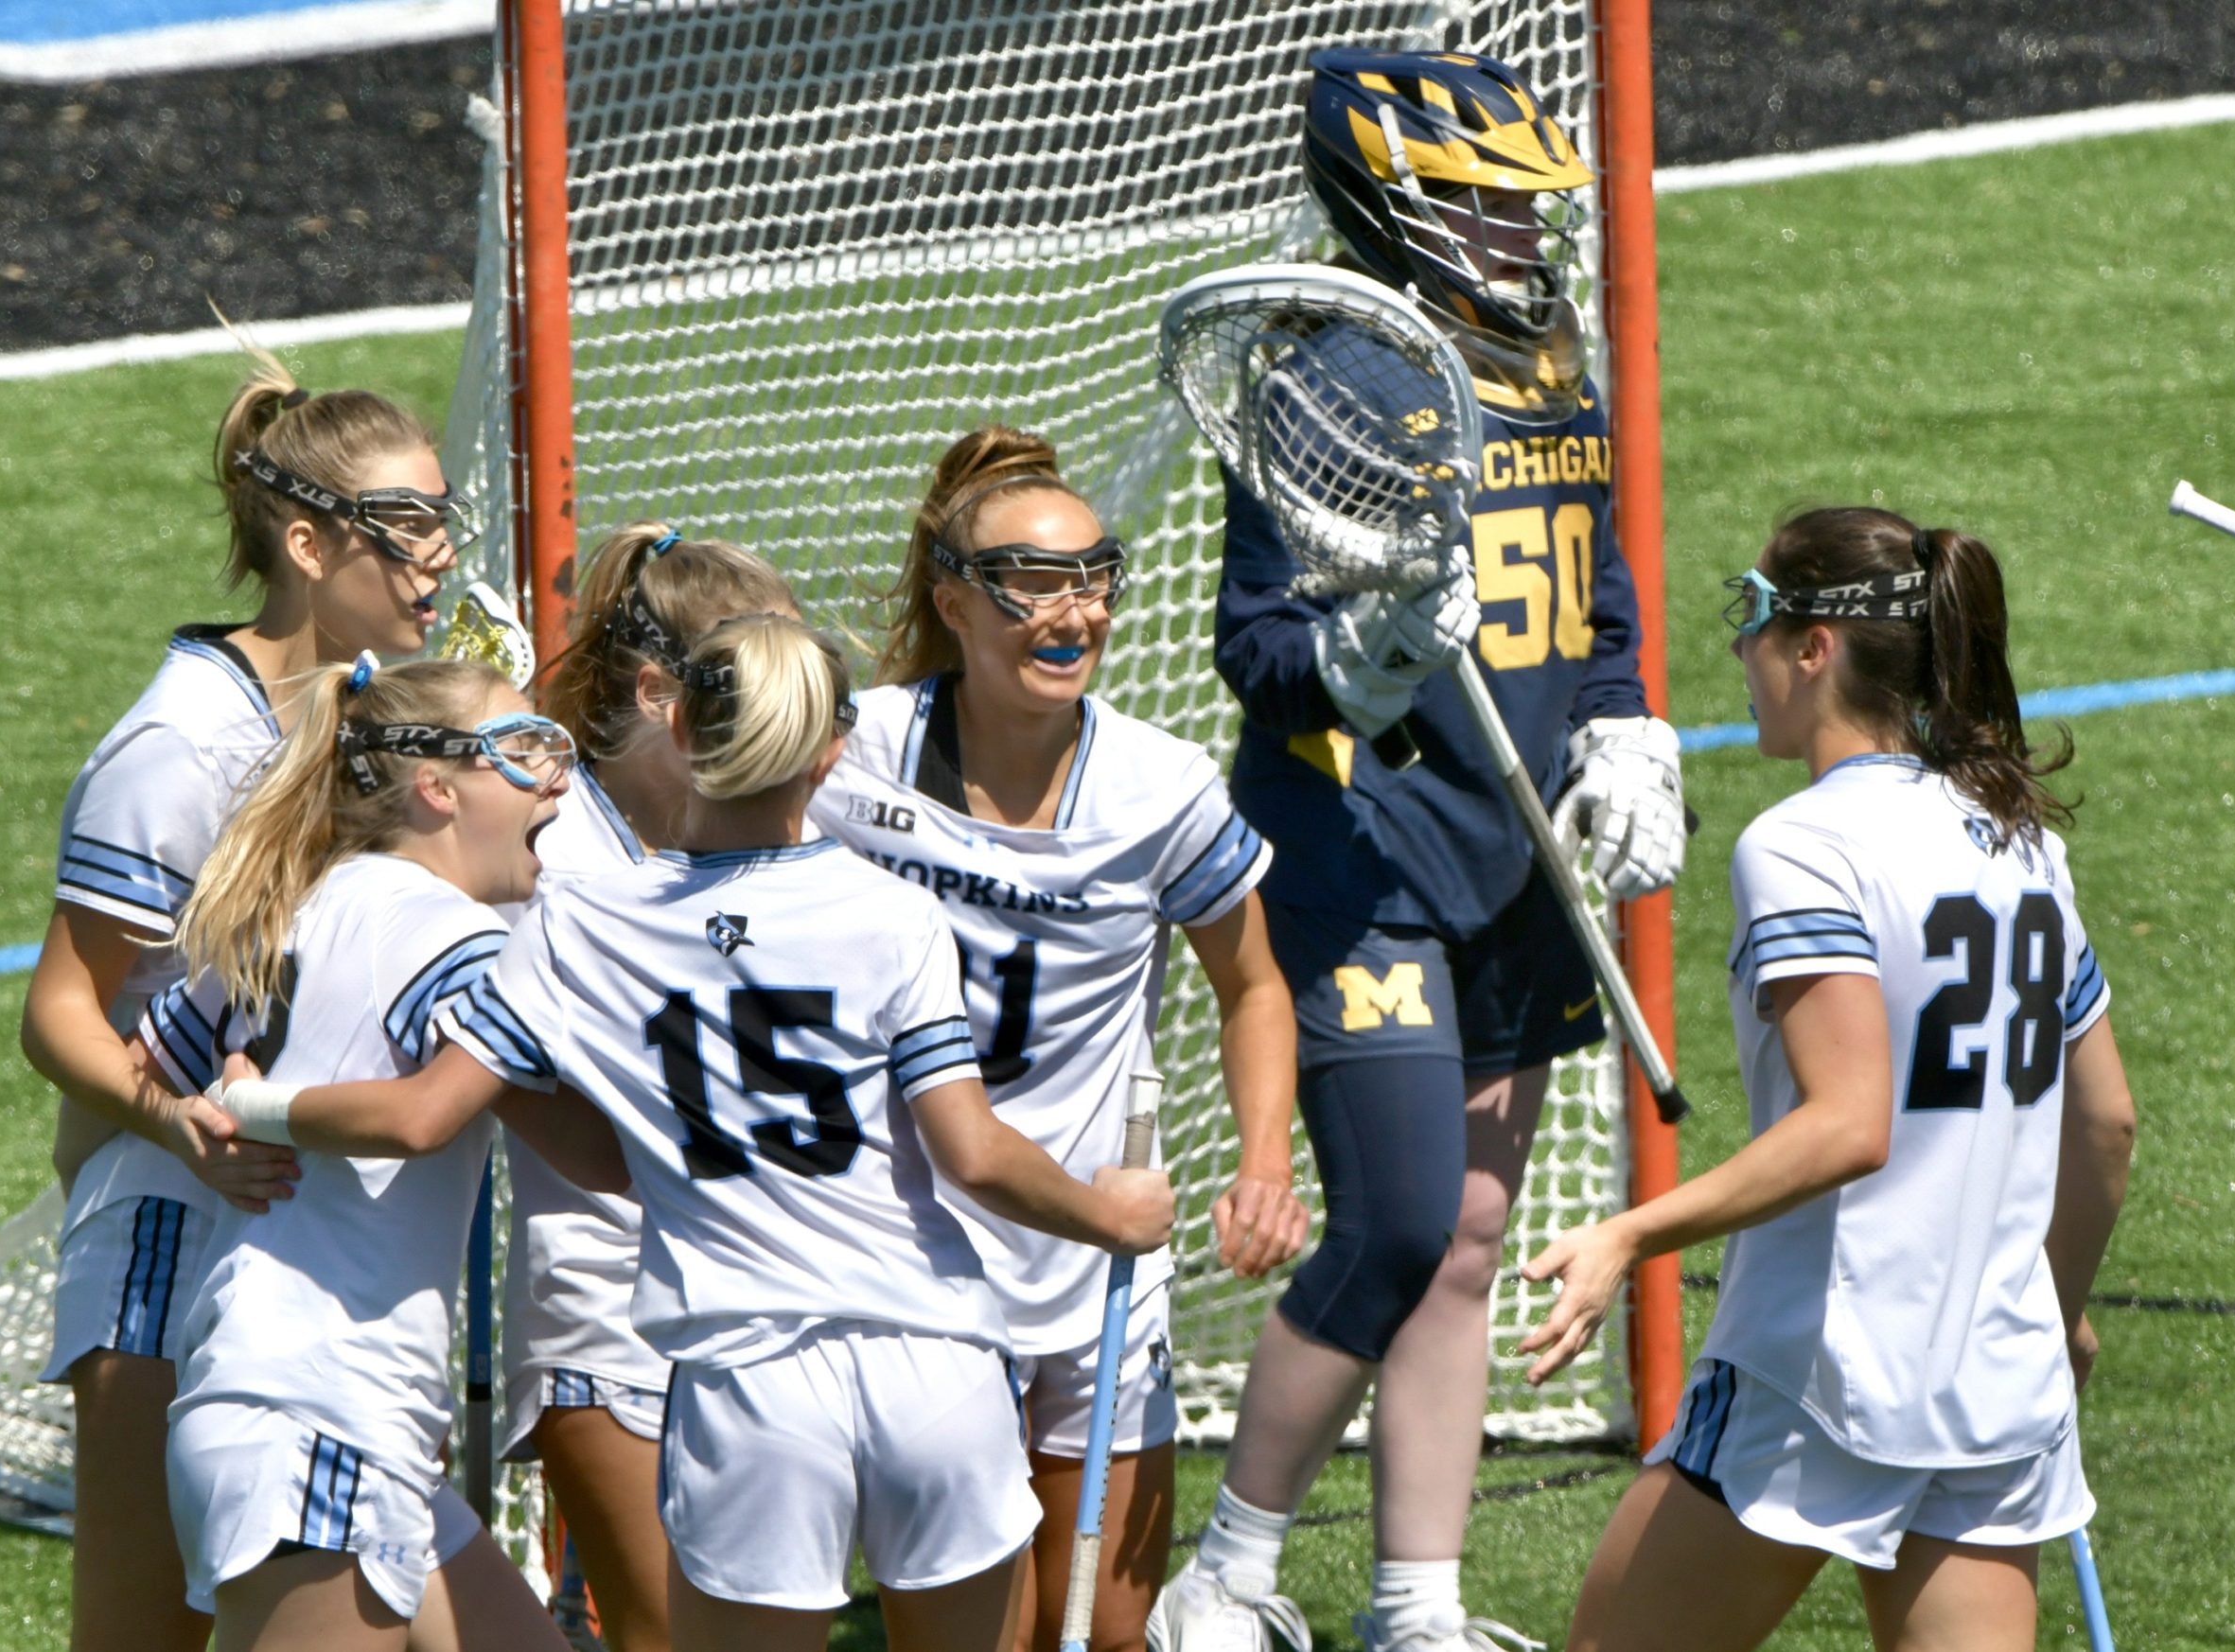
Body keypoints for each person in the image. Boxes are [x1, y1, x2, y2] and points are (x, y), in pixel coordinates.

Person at [213, 613, 1178, 1652]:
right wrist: (1108, 1214)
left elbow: (429, 1112)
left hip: (751, 1383)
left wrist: (249, 1105)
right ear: (831, 751)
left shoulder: (582, 923)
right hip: (936, 1368)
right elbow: (975, 1155)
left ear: (679, 729)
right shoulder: (896, 915)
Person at [1151, 51, 1684, 1652]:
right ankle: (1227, 1574)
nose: (1523, 226)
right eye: (1487, 198)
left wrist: (1622, 727)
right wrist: (1357, 662)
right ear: (1399, 205)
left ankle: (1417, 1608)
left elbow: (1593, 593)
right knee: (1394, 1219)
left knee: (1466, 1239)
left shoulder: (1547, 354)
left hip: (1515, 854)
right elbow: (1256, 647)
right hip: (1361, 849)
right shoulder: (1322, 376)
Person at [1517, 509, 2136, 1652]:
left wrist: (1627, 1235)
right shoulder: (2025, 846)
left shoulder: (1803, 846)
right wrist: (2049, 1313)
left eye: (1750, 613)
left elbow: (1850, 1124)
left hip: (1818, 1376)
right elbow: (2106, 1123)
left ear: (1815, 647)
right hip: (1993, 1385)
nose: (1736, 647)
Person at [812, 426, 1308, 1652]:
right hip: (919, 1256)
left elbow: (1253, 986)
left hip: (1096, 1257)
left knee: (1112, 1630)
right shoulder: (850, 755)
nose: (1071, 611)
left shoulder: (1160, 788)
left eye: (1092, 579)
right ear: (954, 603)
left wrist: (1264, 1163)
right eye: (1030, 583)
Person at [18, 351, 470, 1652]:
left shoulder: (374, 707)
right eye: (407, 525)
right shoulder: (182, 746)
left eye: (443, 517)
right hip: (168, 1225)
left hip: (306, 1243)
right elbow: (59, 1014)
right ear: (307, 544)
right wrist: (178, 1126)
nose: (440, 555)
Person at [133, 653, 602, 1652]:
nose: (555, 780)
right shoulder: (453, 938)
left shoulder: (293, 905)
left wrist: (203, 1126)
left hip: (315, 1406)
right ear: (436, 787)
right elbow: (427, 1119)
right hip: (320, 1410)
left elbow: (145, 1064)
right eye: (521, 751)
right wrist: (249, 1111)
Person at [506, 521, 798, 1652]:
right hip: (607, 1320)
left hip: (755, 1318)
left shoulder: (765, 829)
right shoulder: (545, 854)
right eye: (751, 692)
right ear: (656, 694)